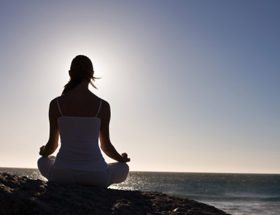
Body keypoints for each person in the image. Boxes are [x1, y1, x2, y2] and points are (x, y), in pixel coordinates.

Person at [37, 55, 130, 187]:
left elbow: (53, 145)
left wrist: (44, 152)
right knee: (123, 168)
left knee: (43, 161)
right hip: (96, 176)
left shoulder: (55, 104)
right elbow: (106, 146)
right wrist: (121, 159)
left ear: (70, 73)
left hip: (61, 174)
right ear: (92, 74)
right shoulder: (102, 106)